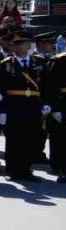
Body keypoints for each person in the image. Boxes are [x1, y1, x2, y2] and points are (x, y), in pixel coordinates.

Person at [0, 29, 49, 182]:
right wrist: (2, 110)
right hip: (13, 106)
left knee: (30, 138)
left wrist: (46, 104)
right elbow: (1, 89)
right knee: (13, 139)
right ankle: (13, 170)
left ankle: (26, 169)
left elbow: (46, 86)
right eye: (16, 44)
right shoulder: (6, 64)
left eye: (22, 44)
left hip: (32, 106)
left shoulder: (39, 62)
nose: (18, 47)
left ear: (29, 45)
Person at [44, 46, 66, 181]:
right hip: (63, 103)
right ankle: (62, 167)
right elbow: (50, 85)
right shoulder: (59, 60)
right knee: (61, 137)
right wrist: (54, 107)